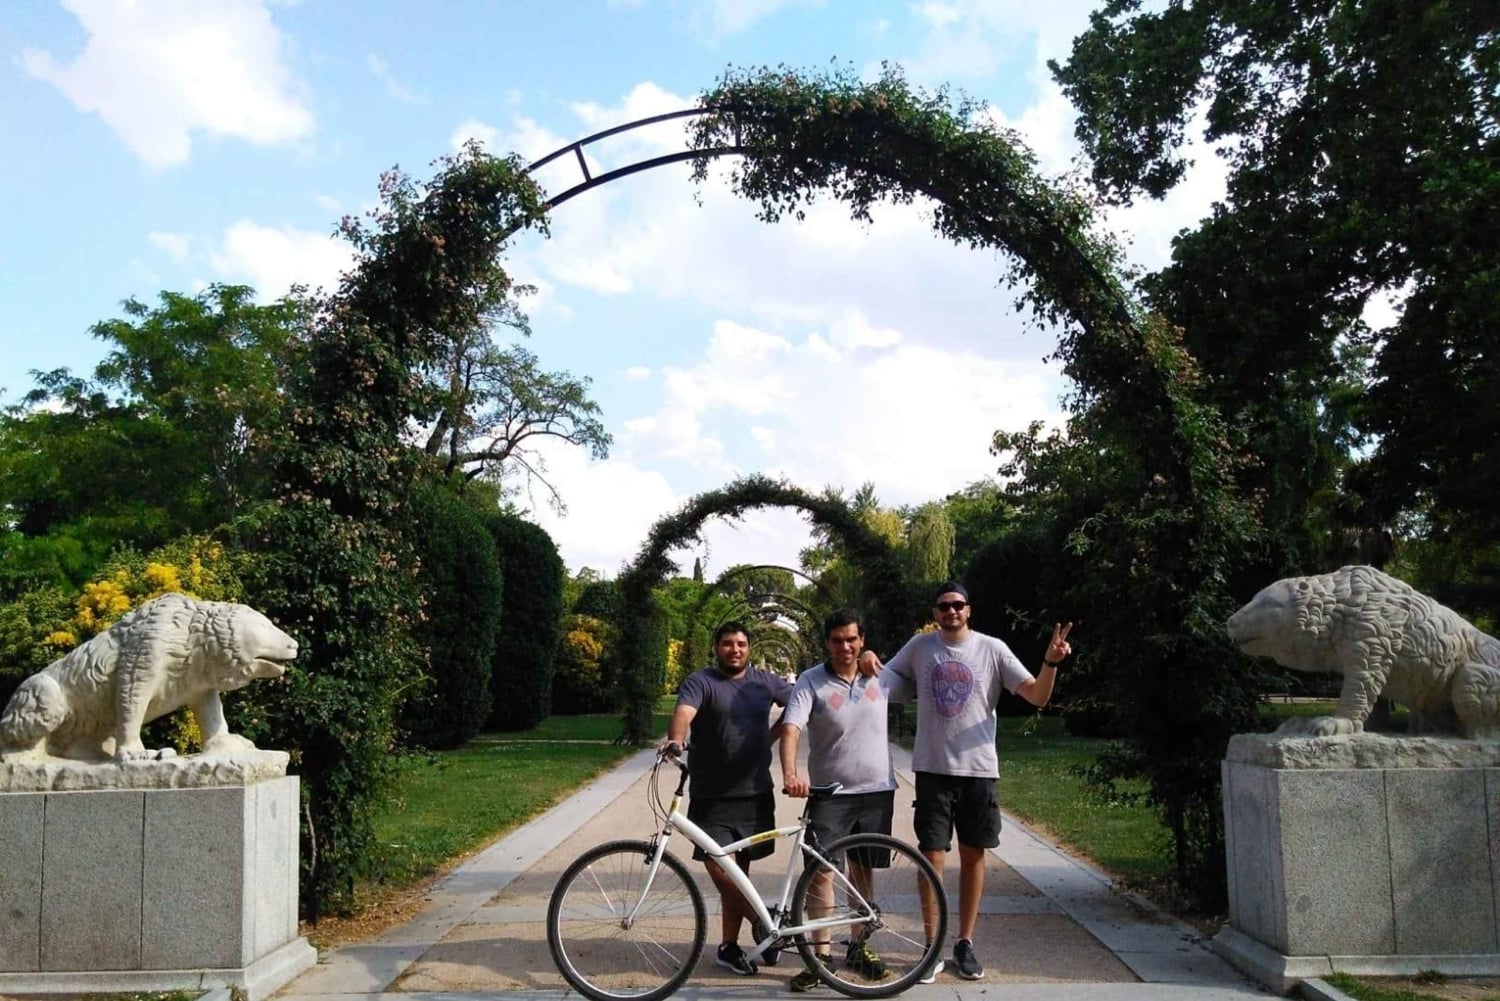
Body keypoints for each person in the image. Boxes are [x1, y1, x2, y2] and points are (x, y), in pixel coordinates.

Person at [879, 581, 1072, 981]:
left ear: (969, 609)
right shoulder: (919, 647)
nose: (951, 611)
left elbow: (1036, 696)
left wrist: (1050, 663)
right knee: (930, 857)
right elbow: (885, 679)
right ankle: (931, 948)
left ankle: (964, 943)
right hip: (932, 770)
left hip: (979, 770)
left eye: (958, 605)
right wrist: (867, 657)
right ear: (935, 612)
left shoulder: (993, 648)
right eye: (944, 606)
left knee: (972, 857)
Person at [779, 608, 913, 992]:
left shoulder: (880, 676)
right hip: (830, 795)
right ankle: (820, 957)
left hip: (876, 790)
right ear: (827, 643)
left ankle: (859, 946)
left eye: (852, 639)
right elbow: (791, 728)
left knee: (862, 871)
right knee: (819, 873)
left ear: (862, 640)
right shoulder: (810, 680)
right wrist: (790, 773)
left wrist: (879, 661)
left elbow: (919, 678)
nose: (845, 647)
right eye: (837, 640)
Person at [665, 621, 794, 976]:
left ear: (748, 648)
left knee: (740, 874)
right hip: (711, 795)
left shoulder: (763, 681)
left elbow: (801, 700)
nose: (734, 649)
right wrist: (676, 740)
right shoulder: (701, 681)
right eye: (727, 644)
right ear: (716, 647)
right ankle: (765, 924)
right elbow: (683, 715)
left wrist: (774, 733)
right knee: (723, 870)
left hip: (754, 792)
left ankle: (729, 947)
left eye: (740, 644)